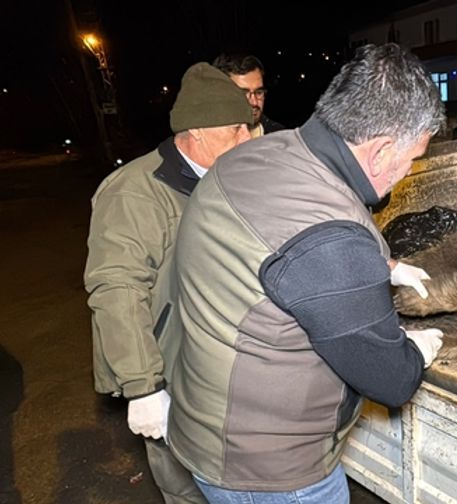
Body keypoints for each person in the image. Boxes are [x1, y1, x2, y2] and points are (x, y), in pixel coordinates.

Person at [167, 43, 446, 503]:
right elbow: (389, 380)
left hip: (208, 420)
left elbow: (275, 250)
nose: (407, 172)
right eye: (411, 159)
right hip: (271, 471)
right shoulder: (331, 240)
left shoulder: (261, 153)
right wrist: (412, 351)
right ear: (379, 152)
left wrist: (383, 266)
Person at [83, 62, 253, 503]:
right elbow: (116, 288)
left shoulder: (224, 176)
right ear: (196, 132)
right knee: (186, 487)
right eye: (235, 129)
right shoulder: (134, 192)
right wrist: (143, 387)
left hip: (218, 360)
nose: (247, 139)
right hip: (167, 366)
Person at [213, 53, 285, 138]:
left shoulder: (280, 139)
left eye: (258, 92)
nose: (254, 102)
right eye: (243, 94)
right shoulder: (200, 140)